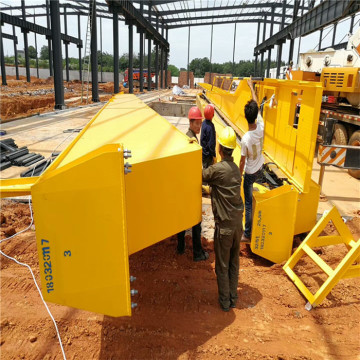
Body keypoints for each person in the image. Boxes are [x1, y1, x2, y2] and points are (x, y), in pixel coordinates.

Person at [203, 127, 243, 312]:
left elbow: (202, 176)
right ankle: (233, 298)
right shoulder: (235, 170)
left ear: (219, 148)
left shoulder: (217, 170)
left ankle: (225, 302)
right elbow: (222, 188)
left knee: (222, 265)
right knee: (234, 262)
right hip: (237, 226)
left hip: (225, 227)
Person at [177, 106, 209, 262]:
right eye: (197, 123)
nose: (199, 126)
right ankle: (197, 253)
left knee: (183, 218)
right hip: (190, 187)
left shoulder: (190, 137)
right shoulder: (190, 140)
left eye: (200, 123)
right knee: (196, 220)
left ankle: (180, 247)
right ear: (190, 122)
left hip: (185, 186)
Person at [239, 77, 264, 243]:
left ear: (245, 116)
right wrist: (251, 88)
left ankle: (247, 234)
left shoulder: (245, 138)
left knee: (247, 203)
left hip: (249, 173)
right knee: (251, 193)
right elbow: (256, 104)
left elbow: (242, 161)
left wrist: (238, 176)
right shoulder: (261, 126)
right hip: (260, 168)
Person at [200, 104, 216, 169]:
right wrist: (213, 155)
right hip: (208, 155)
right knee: (208, 172)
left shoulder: (203, 123)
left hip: (203, 153)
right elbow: (211, 144)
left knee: (204, 168)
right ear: (212, 115)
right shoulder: (211, 127)